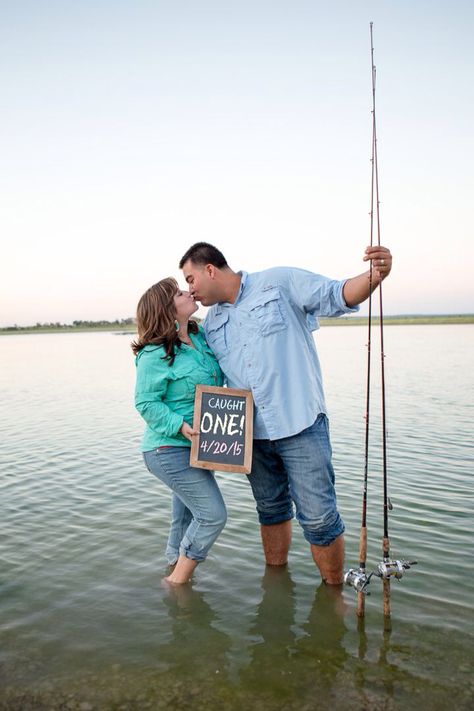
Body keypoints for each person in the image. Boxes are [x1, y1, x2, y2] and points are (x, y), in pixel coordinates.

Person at [179, 242, 393, 585]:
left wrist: (375, 275)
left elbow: (339, 295)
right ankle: (277, 586)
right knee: (271, 511)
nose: (190, 288)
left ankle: (333, 594)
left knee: (320, 520)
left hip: (301, 424)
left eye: (190, 279)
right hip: (254, 437)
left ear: (209, 269)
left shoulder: (278, 282)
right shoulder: (212, 322)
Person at [133, 277, 227, 584]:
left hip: (201, 446)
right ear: (166, 309)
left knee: (185, 515)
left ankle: (173, 565)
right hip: (167, 448)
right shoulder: (153, 354)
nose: (187, 293)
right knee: (212, 515)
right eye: (178, 292)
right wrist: (181, 426)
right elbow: (146, 402)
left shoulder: (200, 338)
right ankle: (177, 582)